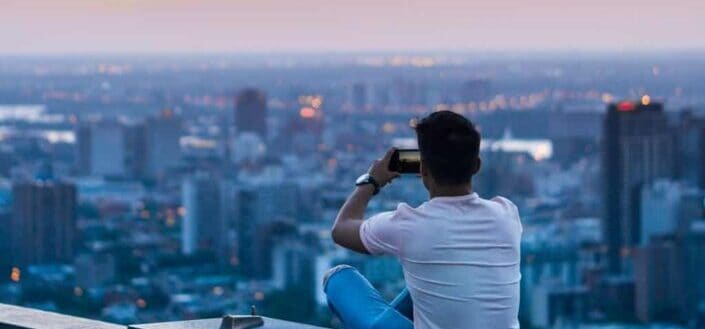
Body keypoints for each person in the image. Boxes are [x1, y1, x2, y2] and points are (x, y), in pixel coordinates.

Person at [323, 110, 522, 329]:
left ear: (423, 170)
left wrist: (371, 180)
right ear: (476, 166)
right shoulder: (507, 214)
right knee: (429, 283)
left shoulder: (409, 225)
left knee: (338, 278)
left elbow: (340, 230)